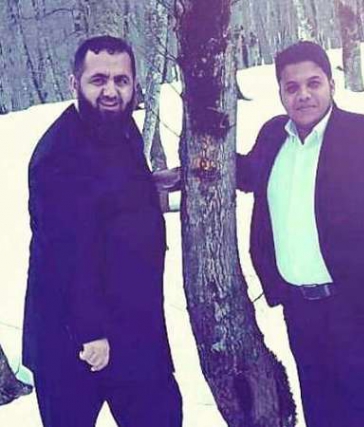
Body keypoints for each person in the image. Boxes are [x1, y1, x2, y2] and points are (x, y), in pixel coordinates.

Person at [237, 41, 364, 427]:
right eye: (292, 87)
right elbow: (247, 174)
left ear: (331, 85)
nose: (303, 94)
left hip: (360, 306)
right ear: (281, 92)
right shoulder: (273, 136)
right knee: (321, 414)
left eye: (313, 83)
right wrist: (191, 170)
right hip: (300, 310)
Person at [22, 35, 182, 427]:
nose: (111, 90)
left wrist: (148, 186)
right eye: (98, 80)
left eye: (121, 80)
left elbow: (102, 200)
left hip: (134, 329)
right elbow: (65, 251)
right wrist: (90, 332)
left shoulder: (120, 129)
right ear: (74, 83)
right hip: (74, 342)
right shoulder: (57, 155)